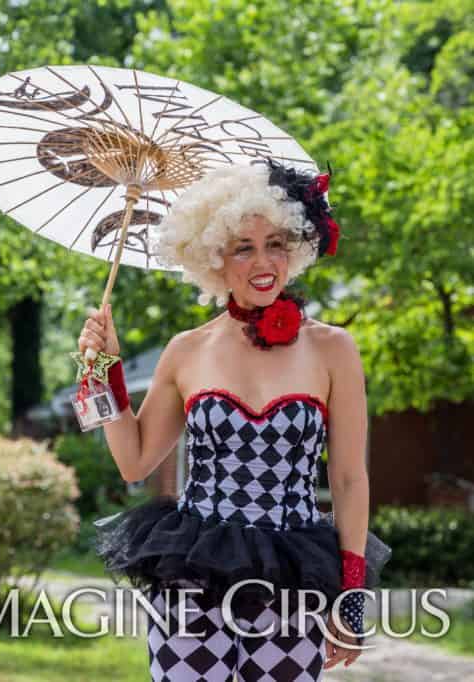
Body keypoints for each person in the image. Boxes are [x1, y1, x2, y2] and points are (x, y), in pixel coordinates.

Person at [80, 159, 392, 681]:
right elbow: (134, 461)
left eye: (275, 242)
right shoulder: (186, 350)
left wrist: (351, 596)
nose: (263, 261)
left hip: (292, 575)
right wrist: (105, 368)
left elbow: (348, 479)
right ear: (213, 257)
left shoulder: (334, 349)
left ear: (296, 247)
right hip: (193, 573)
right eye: (243, 246)